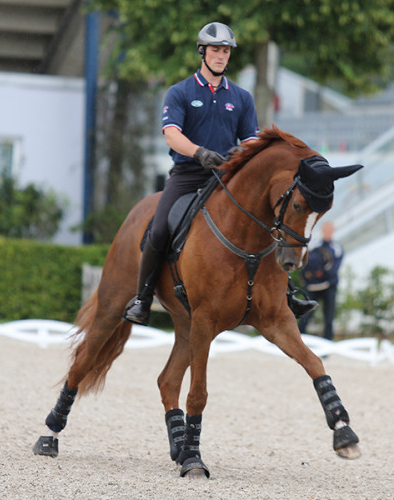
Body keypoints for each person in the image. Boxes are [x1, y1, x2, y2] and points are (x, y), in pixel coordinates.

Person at [124, 21, 316, 325]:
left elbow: (252, 140)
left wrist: (243, 156)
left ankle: (288, 292)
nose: (221, 56)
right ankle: (142, 299)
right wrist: (199, 153)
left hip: (226, 178)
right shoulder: (180, 92)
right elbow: (172, 134)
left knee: (267, 223)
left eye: (225, 51)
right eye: (215, 50)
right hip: (188, 175)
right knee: (159, 229)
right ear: (202, 51)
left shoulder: (241, 98)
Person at [298, 221, 343, 341]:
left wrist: (322, 272)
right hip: (313, 286)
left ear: (332, 232)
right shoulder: (313, 246)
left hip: (329, 287)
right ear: (322, 231)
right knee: (306, 315)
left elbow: (334, 268)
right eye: (326, 230)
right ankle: (297, 341)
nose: (328, 233)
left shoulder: (337, 248)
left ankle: (327, 345)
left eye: (330, 230)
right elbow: (305, 263)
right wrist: (312, 274)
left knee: (329, 317)